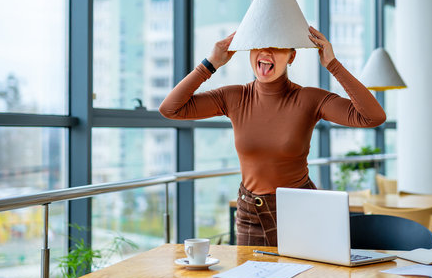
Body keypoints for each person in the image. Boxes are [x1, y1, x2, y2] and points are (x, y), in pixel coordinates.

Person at [159, 26, 386, 246]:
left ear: (291, 56)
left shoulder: (310, 99)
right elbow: (171, 109)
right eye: (258, 45)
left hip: (301, 209)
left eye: (277, 46)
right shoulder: (234, 97)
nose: (266, 52)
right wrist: (211, 63)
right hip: (250, 214)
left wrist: (333, 65)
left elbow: (372, 117)